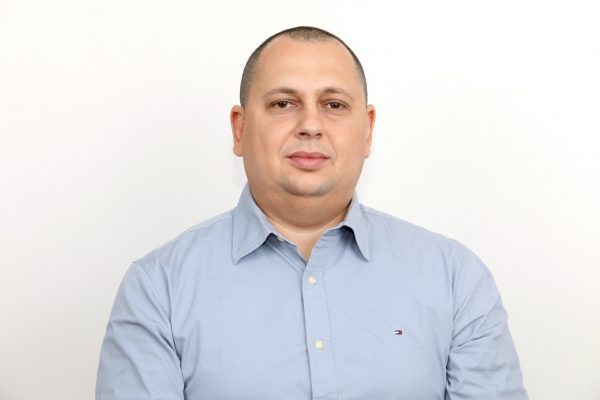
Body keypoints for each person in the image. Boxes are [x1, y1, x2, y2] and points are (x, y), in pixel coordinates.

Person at [95, 26, 528, 399]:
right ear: (240, 130)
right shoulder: (158, 290)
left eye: (334, 104)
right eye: (283, 103)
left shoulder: (455, 279)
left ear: (368, 130)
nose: (310, 125)